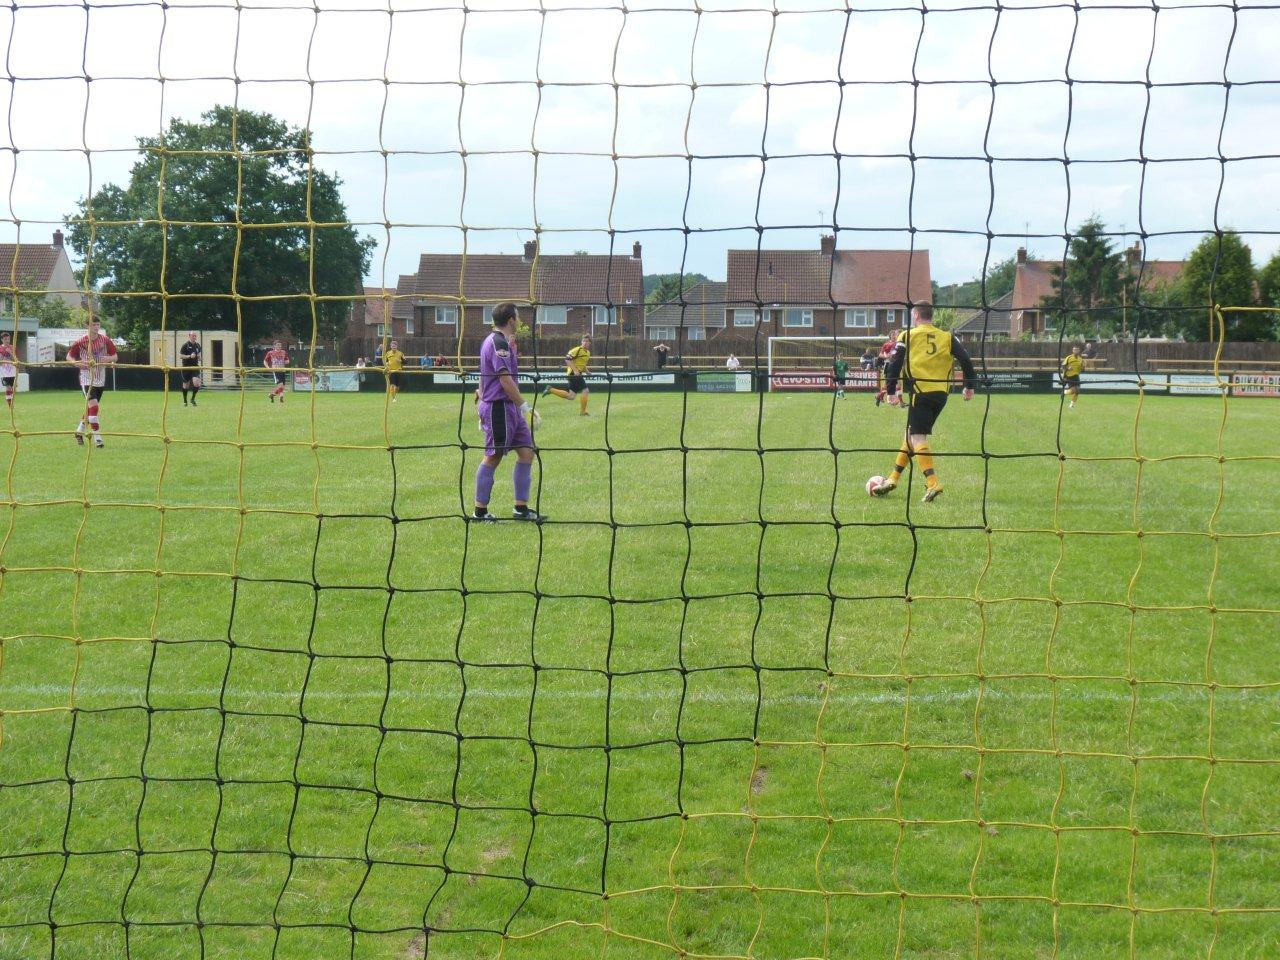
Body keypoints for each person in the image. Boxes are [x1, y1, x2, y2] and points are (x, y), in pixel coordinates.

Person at [871, 303, 977, 503]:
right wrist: (969, 386)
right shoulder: (948, 336)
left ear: (916, 315)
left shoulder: (907, 336)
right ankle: (893, 479)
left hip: (920, 393)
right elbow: (966, 360)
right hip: (941, 394)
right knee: (910, 435)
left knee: (917, 437)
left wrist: (891, 391)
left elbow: (894, 364)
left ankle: (932, 483)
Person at [474, 302, 544, 523]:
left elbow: (485, 375)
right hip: (499, 408)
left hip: (509, 408)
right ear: (511, 319)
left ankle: (520, 509)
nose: (519, 320)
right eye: (518, 317)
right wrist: (525, 406)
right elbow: (504, 380)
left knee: (527, 453)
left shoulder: (502, 342)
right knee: (493, 456)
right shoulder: (497, 343)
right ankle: (480, 511)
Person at [68, 319, 118, 448]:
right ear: (87, 326)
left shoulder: (105, 340)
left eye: (98, 325)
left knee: (91, 410)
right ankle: (98, 439)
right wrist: (76, 363)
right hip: (86, 379)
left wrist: (109, 359)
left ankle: (78, 432)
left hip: (100, 378)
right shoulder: (81, 342)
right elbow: (69, 357)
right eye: (93, 325)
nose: (96, 327)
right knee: (94, 407)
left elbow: (115, 356)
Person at [544, 334, 592, 416]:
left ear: (590, 343)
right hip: (573, 374)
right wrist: (575, 370)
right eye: (583, 341)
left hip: (578, 374)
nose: (585, 342)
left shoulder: (588, 353)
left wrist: (587, 372)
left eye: (587, 341)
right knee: (585, 390)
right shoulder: (577, 350)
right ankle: (582, 412)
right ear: (581, 342)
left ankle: (550, 390)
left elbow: (583, 364)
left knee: (571, 396)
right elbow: (567, 359)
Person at [179, 331, 202, 406]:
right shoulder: (185, 345)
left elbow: (199, 355)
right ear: (189, 336)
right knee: (186, 385)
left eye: (195, 336)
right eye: (193, 336)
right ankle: (185, 401)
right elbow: (181, 356)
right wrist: (189, 356)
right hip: (186, 367)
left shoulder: (198, 345)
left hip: (195, 366)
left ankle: (192, 399)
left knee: (197, 382)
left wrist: (199, 358)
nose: (194, 337)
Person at [874, 337, 897, 406]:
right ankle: (893, 400)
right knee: (892, 383)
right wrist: (887, 356)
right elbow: (880, 355)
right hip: (889, 365)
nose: (895, 336)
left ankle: (881, 396)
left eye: (895, 334)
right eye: (893, 334)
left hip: (895, 364)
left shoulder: (898, 344)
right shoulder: (887, 344)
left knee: (889, 384)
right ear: (890, 336)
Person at [1061, 345, 1084, 409]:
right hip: (1069, 376)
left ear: (1079, 351)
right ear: (1072, 351)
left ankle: (1071, 405)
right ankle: (1064, 392)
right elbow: (1062, 366)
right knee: (1073, 390)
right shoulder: (1069, 358)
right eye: (1074, 350)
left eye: (1077, 350)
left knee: (1078, 391)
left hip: (1076, 376)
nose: (1075, 351)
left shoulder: (1080, 359)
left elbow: (1081, 369)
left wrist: (1083, 367)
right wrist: (1068, 368)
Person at [1, 332, 17, 410]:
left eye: (8, 339)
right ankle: (10, 405)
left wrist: (10, 353)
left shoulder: (12, 347)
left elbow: (15, 359)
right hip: (4, 373)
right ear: (2, 340)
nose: (7, 341)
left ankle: (11, 401)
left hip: (13, 372)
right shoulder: (0, 348)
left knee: (13, 388)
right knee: (8, 388)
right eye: (5, 339)